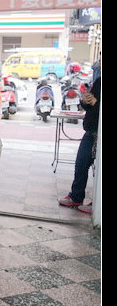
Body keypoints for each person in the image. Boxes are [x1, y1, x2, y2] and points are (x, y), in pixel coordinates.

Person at [58, 65, 101, 214]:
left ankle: (97, 204)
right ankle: (76, 196)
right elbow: (89, 106)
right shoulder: (99, 81)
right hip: (90, 131)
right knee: (81, 164)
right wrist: (85, 100)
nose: (99, 63)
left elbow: (97, 105)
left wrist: (95, 103)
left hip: (99, 132)